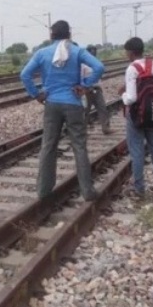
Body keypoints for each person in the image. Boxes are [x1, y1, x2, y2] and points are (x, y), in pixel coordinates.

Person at [20, 20, 104, 201]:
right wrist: (85, 86)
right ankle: (87, 191)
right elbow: (99, 67)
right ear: (69, 34)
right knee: (79, 147)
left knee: (48, 146)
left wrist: (36, 94)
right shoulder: (77, 51)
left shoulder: (42, 53)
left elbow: (24, 74)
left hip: (51, 104)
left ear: (51, 35)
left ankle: (43, 191)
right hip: (73, 104)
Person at [118, 37, 153, 198]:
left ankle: (139, 187)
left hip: (136, 117)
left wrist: (123, 95)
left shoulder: (132, 69)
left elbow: (131, 98)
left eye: (127, 52)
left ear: (131, 52)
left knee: (137, 151)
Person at [82, 45, 112, 135]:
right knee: (85, 111)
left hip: (96, 89)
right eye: (91, 52)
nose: (93, 53)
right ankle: (82, 131)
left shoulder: (97, 63)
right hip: (86, 90)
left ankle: (105, 128)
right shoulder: (82, 65)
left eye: (94, 51)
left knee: (102, 108)